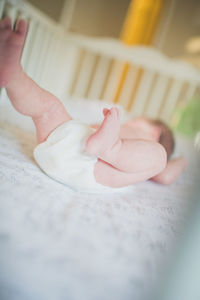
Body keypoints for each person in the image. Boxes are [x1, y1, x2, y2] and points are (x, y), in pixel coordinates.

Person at [0, 17, 186, 190]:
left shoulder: (146, 146)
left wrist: (181, 161)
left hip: (100, 169)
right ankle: (14, 76)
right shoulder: (118, 132)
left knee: (159, 156)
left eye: (138, 120)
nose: (131, 122)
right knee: (50, 106)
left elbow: (166, 175)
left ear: (155, 131)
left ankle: (113, 149)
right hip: (68, 144)